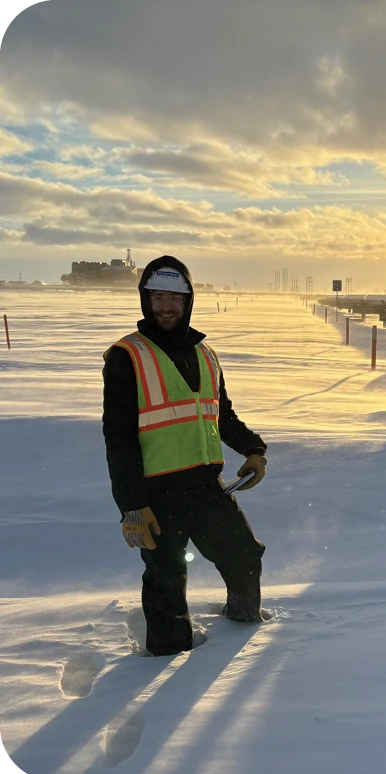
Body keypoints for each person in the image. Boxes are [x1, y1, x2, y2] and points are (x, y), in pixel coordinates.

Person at [104, 256, 272, 656]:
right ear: (146, 300)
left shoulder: (206, 354)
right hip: (158, 496)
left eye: (174, 297)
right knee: (166, 583)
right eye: (157, 296)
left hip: (207, 488)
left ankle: (244, 627)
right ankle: (165, 659)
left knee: (245, 557)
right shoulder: (127, 356)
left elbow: (221, 413)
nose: (166, 306)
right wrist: (131, 506)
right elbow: (119, 439)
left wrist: (253, 449)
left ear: (188, 301)